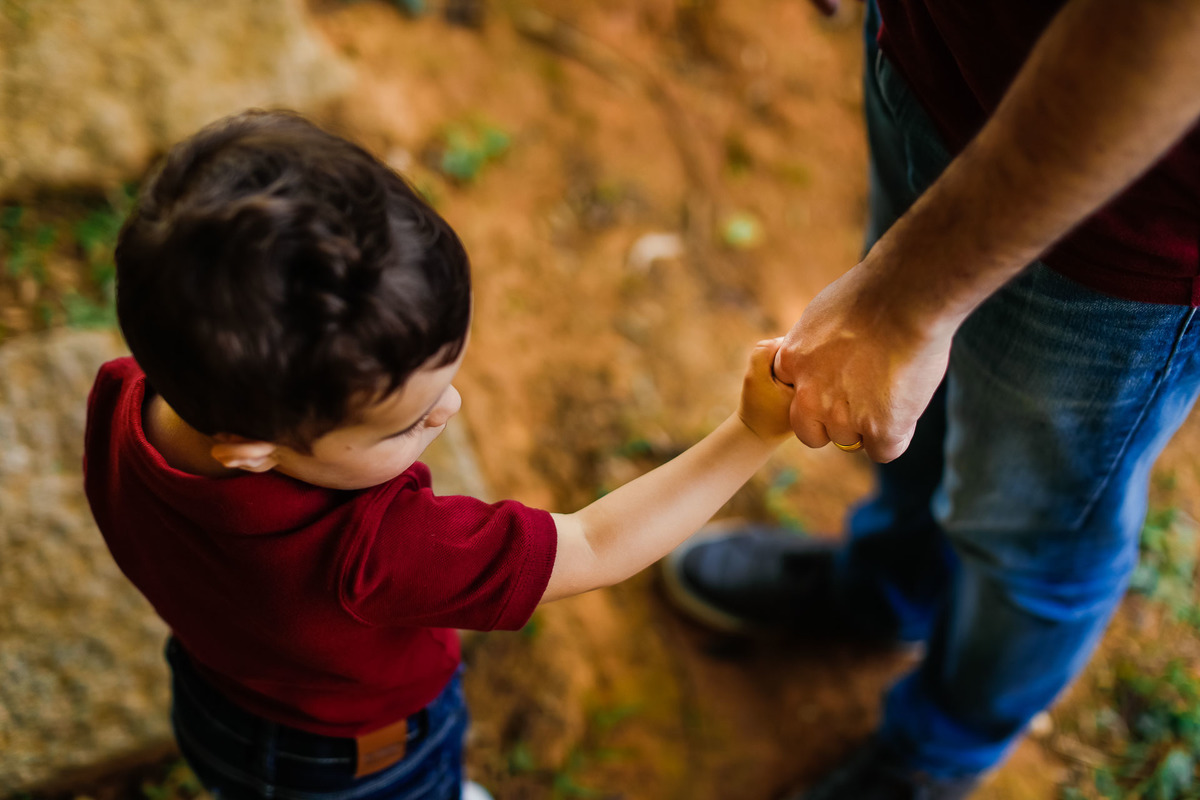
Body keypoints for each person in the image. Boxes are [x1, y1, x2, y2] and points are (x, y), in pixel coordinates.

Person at [83, 109, 795, 800]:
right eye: (406, 425)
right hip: (367, 761)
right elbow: (595, 544)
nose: (449, 411)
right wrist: (753, 431)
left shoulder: (126, 400)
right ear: (252, 452)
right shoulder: (376, 550)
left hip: (216, 700)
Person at [662, 0, 1200, 797]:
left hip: (1121, 228)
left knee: (1029, 529)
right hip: (930, 59)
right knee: (912, 415)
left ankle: (939, 748)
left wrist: (905, 305)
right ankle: (888, 590)